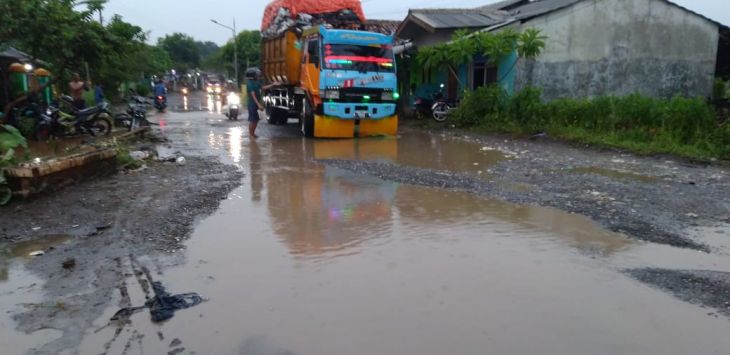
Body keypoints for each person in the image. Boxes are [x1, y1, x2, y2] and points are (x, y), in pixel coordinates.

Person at [246, 71, 275, 138]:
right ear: (252, 76)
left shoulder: (256, 82)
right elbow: (253, 96)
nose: (258, 76)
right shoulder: (250, 84)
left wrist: (273, 85)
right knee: (253, 120)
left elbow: (263, 88)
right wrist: (259, 105)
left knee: (255, 120)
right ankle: (251, 135)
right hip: (252, 104)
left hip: (255, 104)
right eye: (256, 75)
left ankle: (252, 134)